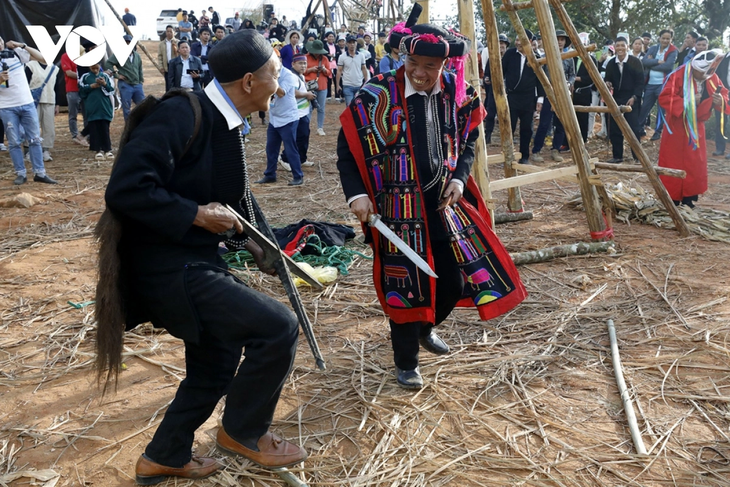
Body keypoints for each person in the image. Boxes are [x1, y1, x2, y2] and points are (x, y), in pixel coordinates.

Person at [97, 29, 308, 485]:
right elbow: (126, 189)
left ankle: (165, 454)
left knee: (216, 359)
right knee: (277, 327)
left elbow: (233, 206)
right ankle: (243, 433)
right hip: (166, 267)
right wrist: (194, 214)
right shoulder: (181, 113)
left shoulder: (226, 122)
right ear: (249, 82)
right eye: (276, 73)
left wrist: (259, 247)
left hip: (195, 259)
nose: (283, 82)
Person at [337, 18, 526, 389]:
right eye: (413, 64)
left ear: (445, 65)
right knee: (405, 286)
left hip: (442, 203)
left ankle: (426, 326)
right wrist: (356, 195)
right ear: (402, 57)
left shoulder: (459, 93)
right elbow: (348, 152)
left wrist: (458, 178)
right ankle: (406, 362)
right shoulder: (375, 94)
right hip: (394, 209)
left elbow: (469, 141)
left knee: (452, 283)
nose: (421, 74)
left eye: (430, 66)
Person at [658, 50, 730, 207]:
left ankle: (689, 198)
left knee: (694, 164)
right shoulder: (678, 75)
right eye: (701, 73)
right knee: (673, 162)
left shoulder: (712, 77)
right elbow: (664, 97)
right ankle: (672, 198)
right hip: (676, 127)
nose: (704, 76)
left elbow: (725, 95)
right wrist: (687, 101)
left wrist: (720, 101)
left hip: (697, 128)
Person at [0, 36, 57, 185]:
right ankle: (21, 173)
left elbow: (44, 58)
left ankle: (40, 172)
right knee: (13, 142)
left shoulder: (16, 54)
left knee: (35, 139)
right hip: (7, 107)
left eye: (0, 40)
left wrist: (22, 45)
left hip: (27, 103)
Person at [255, 62, 304, 186]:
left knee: (290, 148)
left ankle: (298, 176)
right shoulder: (268, 73)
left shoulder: (288, 75)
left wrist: (270, 79)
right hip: (274, 117)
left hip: (288, 118)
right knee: (271, 148)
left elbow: (281, 93)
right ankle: (270, 174)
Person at [531, 30, 574, 163]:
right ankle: (536, 150)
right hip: (549, 95)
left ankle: (556, 149)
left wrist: (569, 83)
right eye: (558, 39)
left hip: (563, 95)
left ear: (565, 42)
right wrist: (541, 97)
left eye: (562, 39)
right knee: (544, 123)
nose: (560, 41)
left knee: (561, 124)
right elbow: (541, 79)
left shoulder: (569, 57)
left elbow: (572, 75)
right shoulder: (546, 57)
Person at [502, 29, 542, 164]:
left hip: (528, 98)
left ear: (530, 42)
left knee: (527, 129)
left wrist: (540, 99)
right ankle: (507, 155)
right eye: (517, 39)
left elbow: (541, 80)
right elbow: (500, 72)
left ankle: (524, 156)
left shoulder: (536, 57)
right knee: (509, 127)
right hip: (511, 97)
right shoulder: (509, 54)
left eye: (521, 40)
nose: (518, 42)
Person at [603, 37, 644, 163]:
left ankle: (638, 157)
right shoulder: (611, 63)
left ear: (627, 47)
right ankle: (617, 156)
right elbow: (607, 79)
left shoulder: (635, 62)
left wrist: (634, 97)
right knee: (615, 128)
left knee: (633, 129)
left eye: (622, 45)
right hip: (616, 98)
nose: (620, 48)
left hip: (632, 98)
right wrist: (608, 83)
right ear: (614, 48)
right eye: (617, 46)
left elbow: (640, 82)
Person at [639, 29, 677, 141]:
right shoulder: (653, 48)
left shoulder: (673, 50)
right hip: (650, 83)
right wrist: (657, 61)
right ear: (659, 38)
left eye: (668, 38)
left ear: (671, 39)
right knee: (645, 107)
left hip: (663, 84)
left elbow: (668, 66)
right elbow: (644, 61)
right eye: (663, 38)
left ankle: (657, 132)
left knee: (661, 109)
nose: (665, 40)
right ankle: (639, 128)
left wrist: (652, 63)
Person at [280, 53, 316, 170]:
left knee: (304, 136)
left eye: (305, 63)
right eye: (300, 63)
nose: (303, 66)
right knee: (295, 137)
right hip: (295, 112)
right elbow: (293, 93)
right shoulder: (292, 76)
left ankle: (302, 158)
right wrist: (307, 94)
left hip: (303, 112)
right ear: (293, 64)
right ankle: (284, 158)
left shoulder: (300, 76)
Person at [104, 35, 144, 122]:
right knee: (127, 108)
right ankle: (128, 127)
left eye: (129, 43)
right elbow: (108, 64)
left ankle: (141, 125)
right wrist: (116, 75)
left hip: (137, 85)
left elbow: (140, 68)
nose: (127, 45)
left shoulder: (137, 55)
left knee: (142, 106)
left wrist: (141, 81)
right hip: (126, 85)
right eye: (125, 43)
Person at [79, 62, 114, 161]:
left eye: (97, 67)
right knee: (94, 128)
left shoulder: (105, 76)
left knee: (105, 128)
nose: (95, 69)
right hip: (92, 106)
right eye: (92, 67)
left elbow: (111, 90)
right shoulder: (85, 77)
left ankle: (107, 149)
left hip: (104, 106)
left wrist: (104, 84)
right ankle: (97, 149)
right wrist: (91, 86)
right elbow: (81, 90)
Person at [26, 59, 59, 162]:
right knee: (31, 126)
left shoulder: (55, 68)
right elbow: (25, 84)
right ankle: (28, 150)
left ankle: (46, 150)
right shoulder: (30, 66)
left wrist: (57, 104)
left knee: (49, 127)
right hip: (33, 101)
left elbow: (56, 86)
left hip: (49, 100)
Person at [482, 33, 510, 145]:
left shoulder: (511, 57)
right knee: (490, 113)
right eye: (499, 43)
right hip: (493, 91)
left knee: (506, 115)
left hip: (508, 91)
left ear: (506, 45)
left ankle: (507, 137)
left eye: (502, 43)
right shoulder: (492, 58)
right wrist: (486, 78)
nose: (500, 45)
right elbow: (486, 74)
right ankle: (488, 135)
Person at [304, 39, 331, 136]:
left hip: (322, 86)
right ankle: (306, 127)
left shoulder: (324, 59)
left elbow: (329, 72)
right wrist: (310, 69)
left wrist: (324, 69)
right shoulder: (305, 58)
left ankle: (320, 127)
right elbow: (301, 71)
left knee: (321, 108)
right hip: (309, 87)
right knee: (309, 108)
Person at [60, 51, 87, 146]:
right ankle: (75, 135)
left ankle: (86, 135)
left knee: (87, 113)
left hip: (84, 89)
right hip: (72, 89)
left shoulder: (84, 55)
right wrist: (84, 77)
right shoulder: (66, 56)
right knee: (73, 114)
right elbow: (68, 72)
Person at [336, 35, 367, 106]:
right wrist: (337, 85)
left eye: (353, 42)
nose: (352, 44)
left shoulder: (361, 55)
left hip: (359, 85)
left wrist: (366, 81)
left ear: (356, 43)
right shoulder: (342, 56)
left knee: (359, 107)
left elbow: (364, 68)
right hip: (347, 85)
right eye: (350, 42)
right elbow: (339, 71)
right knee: (349, 107)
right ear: (347, 44)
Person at [158, 25, 179, 91]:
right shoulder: (161, 44)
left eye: (171, 31)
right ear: (165, 32)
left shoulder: (178, 42)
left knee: (177, 84)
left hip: (176, 66)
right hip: (167, 66)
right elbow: (160, 56)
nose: (169, 33)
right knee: (168, 84)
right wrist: (161, 67)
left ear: (174, 32)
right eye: (167, 31)